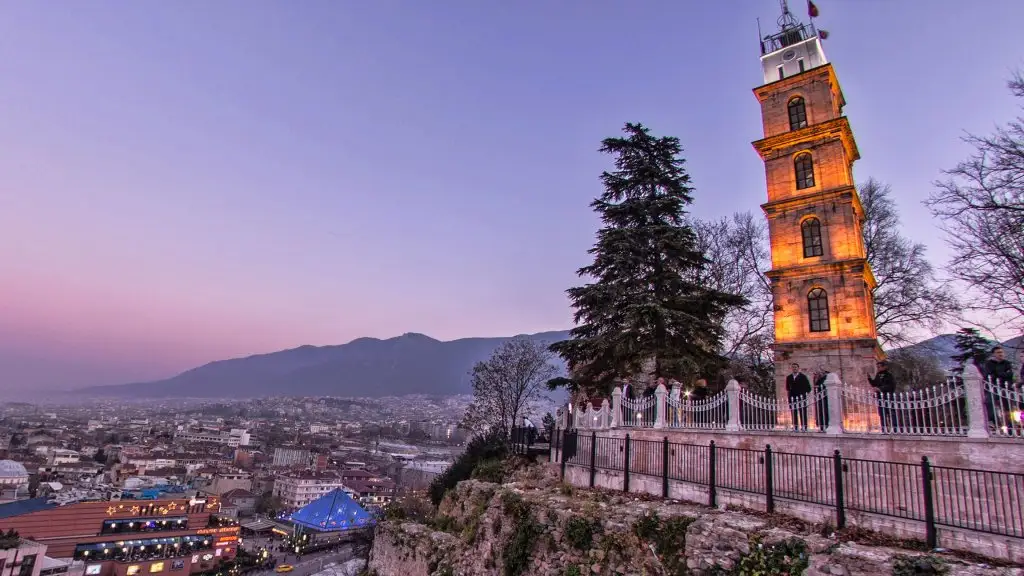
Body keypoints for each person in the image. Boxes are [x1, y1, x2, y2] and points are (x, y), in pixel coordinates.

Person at [868, 360, 897, 431]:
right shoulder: (878, 375)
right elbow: (874, 383)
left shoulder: (889, 375)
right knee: (882, 413)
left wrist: (880, 389)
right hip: (880, 397)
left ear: (884, 367)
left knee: (890, 413)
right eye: (877, 367)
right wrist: (869, 379)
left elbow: (891, 386)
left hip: (888, 397)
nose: (878, 368)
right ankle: (884, 429)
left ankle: (895, 429)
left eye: (879, 367)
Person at [785, 363, 812, 430]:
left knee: (802, 411)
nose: (794, 368)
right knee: (793, 412)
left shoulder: (803, 377)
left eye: (795, 367)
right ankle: (795, 426)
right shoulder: (789, 377)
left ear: (798, 368)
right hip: (792, 397)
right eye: (793, 367)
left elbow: (808, 388)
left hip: (801, 397)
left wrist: (803, 393)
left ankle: (804, 426)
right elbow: (787, 388)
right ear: (791, 369)